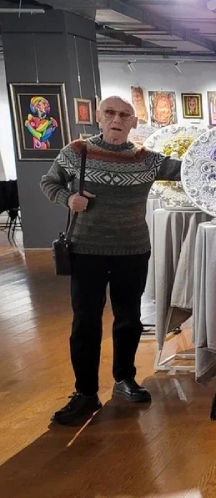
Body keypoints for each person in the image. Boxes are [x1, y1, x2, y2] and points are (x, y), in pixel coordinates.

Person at [40, 96, 183, 425]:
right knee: (85, 322)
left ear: (134, 122)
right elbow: (48, 182)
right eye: (110, 113)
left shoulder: (147, 159)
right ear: (98, 117)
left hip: (132, 250)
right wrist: (68, 198)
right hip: (86, 250)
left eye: (124, 115)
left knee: (129, 319)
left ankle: (124, 379)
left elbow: (188, 171)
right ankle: (85, 393)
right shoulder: (77, 152)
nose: (117, 119)